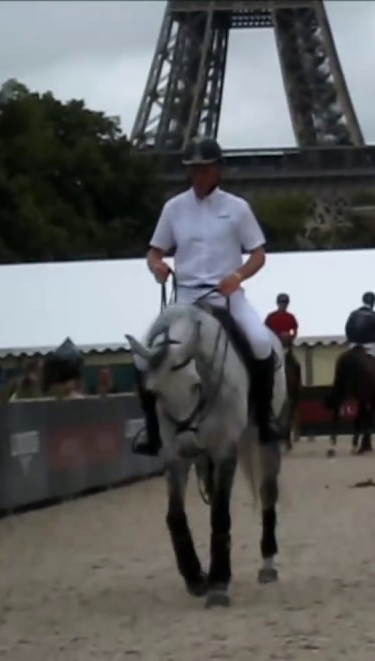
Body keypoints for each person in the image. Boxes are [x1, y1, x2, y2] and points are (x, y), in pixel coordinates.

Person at [133, 136, 281, 456]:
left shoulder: (237, 208)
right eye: (193, 170)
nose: (197, 176)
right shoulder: (173, 208)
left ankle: (264, 418)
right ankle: (153, 430)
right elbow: (154, 251)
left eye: (204, 169)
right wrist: (157, 266)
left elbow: (258, 254)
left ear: (218, 170)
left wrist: (238, 275)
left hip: (225, 295)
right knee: (142, 354)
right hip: (185, 299)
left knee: (260, 342)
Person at [345, 291, 375, 364]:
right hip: (371, 346)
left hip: (354, 345)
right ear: (374, 302)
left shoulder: (353, 314)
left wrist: (352, 341)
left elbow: (347, 329)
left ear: (363, 300)